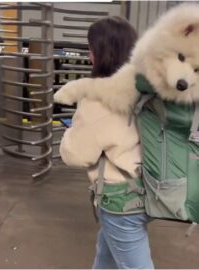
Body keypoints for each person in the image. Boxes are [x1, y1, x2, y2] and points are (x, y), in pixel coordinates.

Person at [59, 17, 154, 269]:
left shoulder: (99, 98)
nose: (89, 55)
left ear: (103, 52)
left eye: (91, 49)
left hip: (121, 200)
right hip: (147, 189)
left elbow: (77, 155)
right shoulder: (143, 86)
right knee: (106, 257)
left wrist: (69, 134)